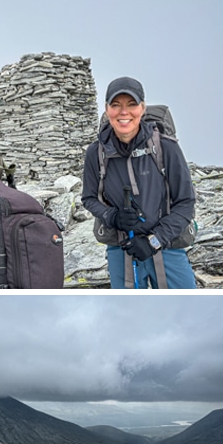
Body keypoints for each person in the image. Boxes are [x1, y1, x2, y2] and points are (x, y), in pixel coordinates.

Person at [81, 78, 197, 288]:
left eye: (131, 105)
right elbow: (89, 198)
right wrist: (112, 216)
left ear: (142, 108)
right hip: (121, 247)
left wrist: (154, 241)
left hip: (167, 246)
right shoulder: (96, 153)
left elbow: (186, 203)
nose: (123, 112)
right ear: (107, 110)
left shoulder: (166, 148)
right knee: (128, 312)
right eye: (116, 105)